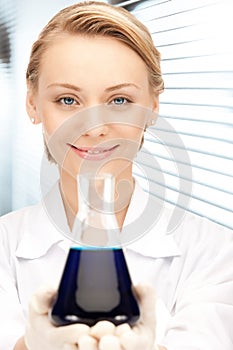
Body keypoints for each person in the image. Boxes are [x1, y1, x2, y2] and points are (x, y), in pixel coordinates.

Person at [0, 1, 233, 349]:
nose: (93, 128)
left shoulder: (214, 253)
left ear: (153, 105)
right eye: (67, 100)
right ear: (32, 102)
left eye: (120, 100)